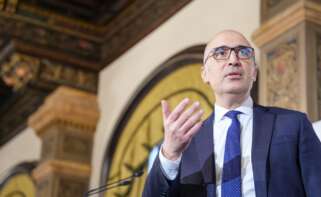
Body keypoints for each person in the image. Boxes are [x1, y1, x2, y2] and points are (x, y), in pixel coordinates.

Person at [142, 30, 321, 197]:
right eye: (220, 53)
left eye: (243, 53)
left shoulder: (292, 124)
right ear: (205, 74)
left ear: (255, 72)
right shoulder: (186, 143)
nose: (234, 60)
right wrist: (170, 154)